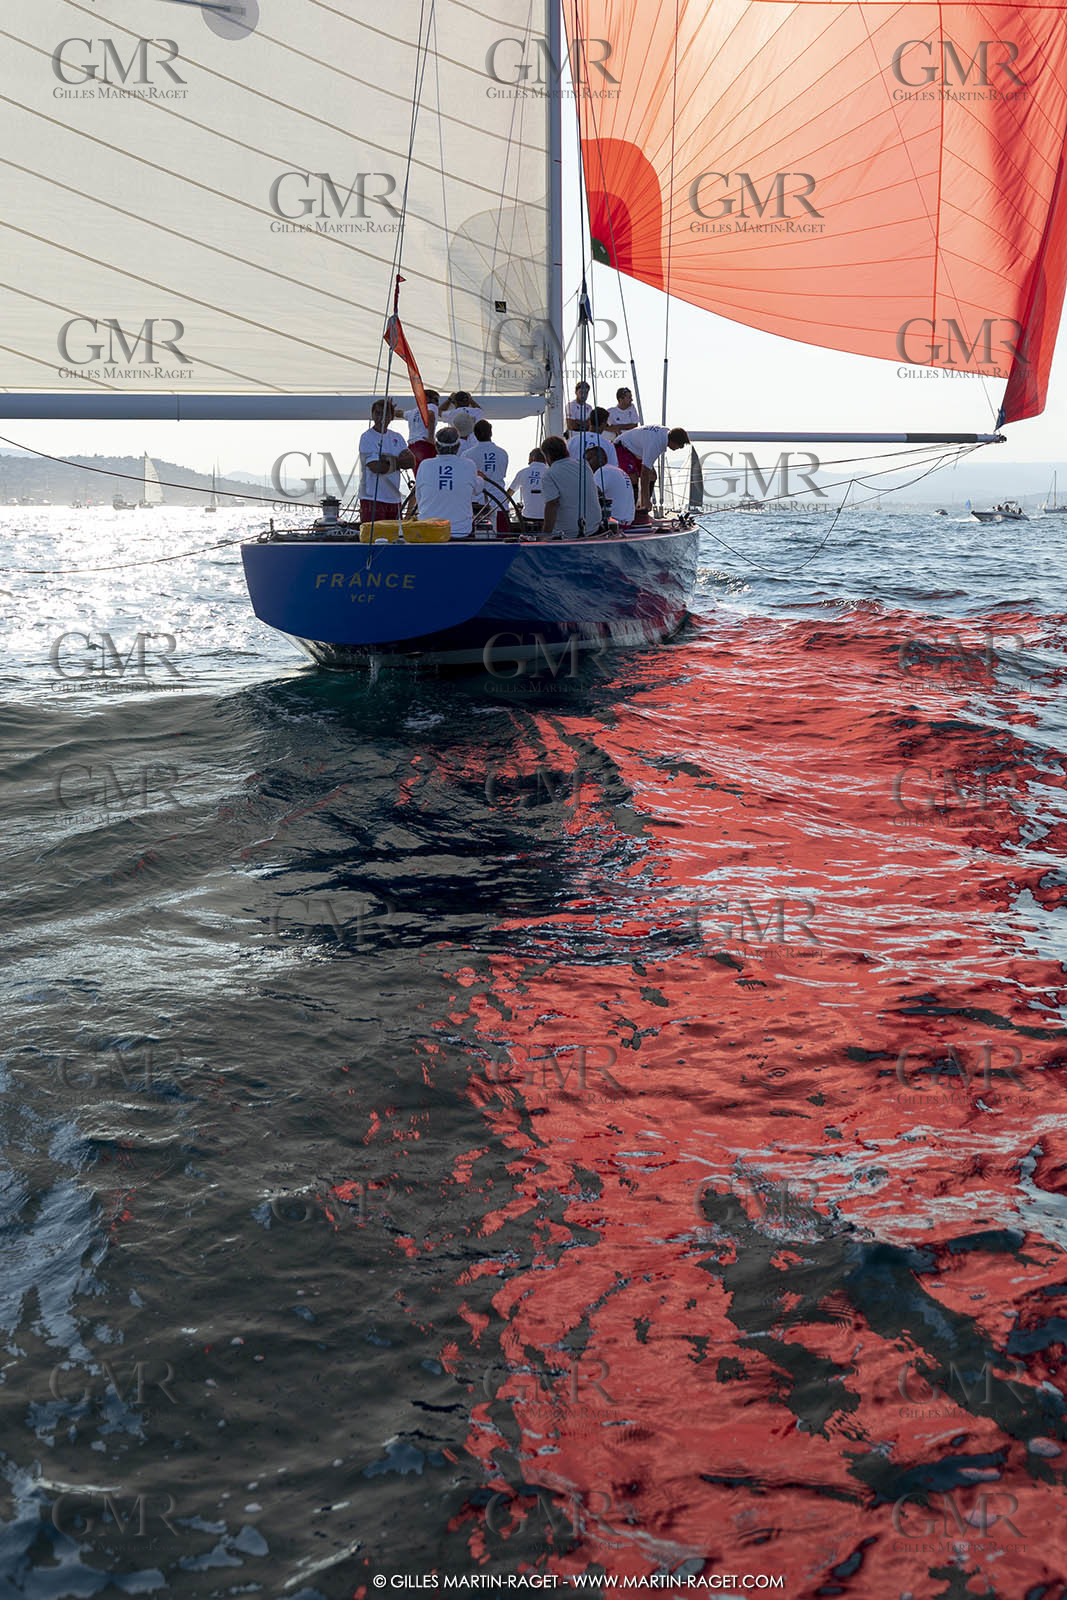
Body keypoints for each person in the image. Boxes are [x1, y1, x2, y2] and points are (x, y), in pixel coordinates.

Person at [414, 426, 479, 539]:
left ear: (437, 446)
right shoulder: (469, 465)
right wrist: (480, 479)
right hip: (461, 531)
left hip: (428, 530)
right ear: (458, 446)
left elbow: (419, 497)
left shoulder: (425, 465)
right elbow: (477, 490)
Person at [358, 398, 414, 525]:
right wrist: (398, 462)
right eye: (377, 413)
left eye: (385, 414)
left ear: (391, 417)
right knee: (375, 539)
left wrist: (387, 461)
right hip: (372, 499)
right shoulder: (367, 437)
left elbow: (411, 462)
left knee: (394, 539)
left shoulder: (397, 437)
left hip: (394, 500)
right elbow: (376, 468)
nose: (381, 417)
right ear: (372, 415)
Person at [615, 424, 690, 511]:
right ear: (674, 441)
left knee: (652, 476)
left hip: (635, 450)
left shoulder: (665, 433)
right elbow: (644, 474)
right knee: (633, 478)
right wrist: (646, 500)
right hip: (623, 447)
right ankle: (632, 509)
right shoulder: (655, 444)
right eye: (680, 445)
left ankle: (641, 507)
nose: (680, 448)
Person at [540, 434, 599, 539]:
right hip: (594, 528)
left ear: (548, 456)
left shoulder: (549, 474)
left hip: (569, 534)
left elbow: (552, 505)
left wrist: (545, 535)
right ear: (566, 450)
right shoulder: (584, 465)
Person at [463, 420, 511, 532]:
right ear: (491, 433)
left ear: (475, 434)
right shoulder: (502, 453)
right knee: (502, 540)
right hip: (499, 502)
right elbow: (502, 474)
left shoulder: (467, 454)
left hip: (476, 505)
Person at [585, 445, 635, 527]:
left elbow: (591, 494)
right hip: (626, 521)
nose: (587, 463)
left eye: (589, 459)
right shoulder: (616, 470)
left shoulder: (603, 471)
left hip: (614, 523)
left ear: (601, 459)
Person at [508, 448, 547, 528]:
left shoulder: (523, 472)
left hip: (527, 517)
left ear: (533, 458)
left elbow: (509, 494)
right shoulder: (550, 472)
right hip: (546, 518)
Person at [406, 389, 439, 467]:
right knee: (429, 472)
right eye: (436, 400)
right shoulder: (431, 406)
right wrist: (431, 438)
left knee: (419, 474)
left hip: (412, 447)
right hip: (424, 444)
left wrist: (390, 408)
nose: (437, 403)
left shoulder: (413, 411)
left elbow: (399, 413)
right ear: (427, 398)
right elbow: (431, 415)